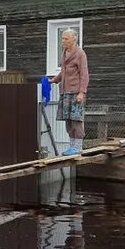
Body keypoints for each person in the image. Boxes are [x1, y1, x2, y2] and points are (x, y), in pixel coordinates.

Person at [50, 28, 90, 156]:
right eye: (62, 38)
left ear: (74, 39)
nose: (63, 41)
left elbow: (85, 74)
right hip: (65, 92)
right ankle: (71, 146)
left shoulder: (80, 54)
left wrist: (82, 93)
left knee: (76, 120)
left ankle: (77, 147)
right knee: (68, 120)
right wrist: (54, 80)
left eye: (66, 38)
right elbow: (64, 71)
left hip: (76, 92)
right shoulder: (65, 52)